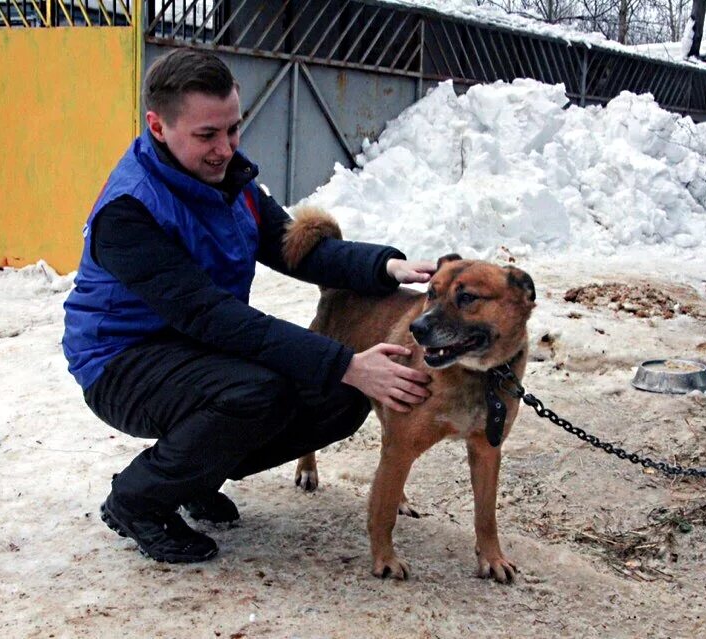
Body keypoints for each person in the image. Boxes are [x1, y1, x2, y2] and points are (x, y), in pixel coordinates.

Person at [62, 48, 435, 564]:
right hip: (121, 362)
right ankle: (138, 500)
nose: (226, 148)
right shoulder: (129, 211)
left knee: (339, 399)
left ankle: (195, 474)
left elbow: (296, 246)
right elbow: (214, 317)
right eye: (207, 135)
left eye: (233, 129)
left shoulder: (229, 183)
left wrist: (385, 268)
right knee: (256, 392)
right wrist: (346, 362)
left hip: (195, 349)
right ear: (158, 126)